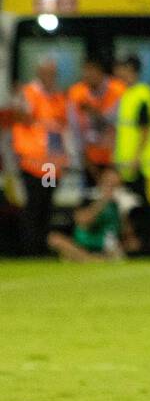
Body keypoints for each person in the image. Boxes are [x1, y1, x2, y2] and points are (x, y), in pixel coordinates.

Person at [11, 57, 69, 255]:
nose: (50, 77)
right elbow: (21, 116)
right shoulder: (29, 93)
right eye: (46, 73)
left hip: (51, 164)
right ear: (39, 73)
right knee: (34, 206)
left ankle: (42, 248)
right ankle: (30, 249)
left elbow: (62, 126)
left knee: (46, 205)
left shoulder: (58, 96)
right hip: (32, 162)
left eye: (53, 73)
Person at [113, 55, 150, 250]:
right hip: (126, 162)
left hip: (137, 163)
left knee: (140, 207)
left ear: (131, 70)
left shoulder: (142, 94)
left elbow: (144, 128)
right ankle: (133, 244)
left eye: (121, 68)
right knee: (128, 206)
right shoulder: (127, 94)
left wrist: (137, 157)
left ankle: (144, 246)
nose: (118, 72)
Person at [46, 166, 137, 262]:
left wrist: (123, 212)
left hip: (106, 245)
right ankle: (90, 258)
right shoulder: (89, 196)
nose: (111, 188)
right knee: (54, 239)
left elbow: (127, 233)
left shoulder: (122, 202)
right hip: (82, 244)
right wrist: (102, 201)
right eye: (108, 184)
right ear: (101, 182)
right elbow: (83, 221)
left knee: (130, 245)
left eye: (115, 185)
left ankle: (89, 258)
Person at [68, 58, 125, 185]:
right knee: (90, 196)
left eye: (90, 72)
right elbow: (75, 128)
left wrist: (94, 113)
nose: (86, 76)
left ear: (100, 72)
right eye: (84, 72)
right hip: (89, 159)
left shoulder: (118, 90)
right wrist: (84, 158)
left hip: (114, 159)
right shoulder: (77, 93)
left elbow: (116, 122)